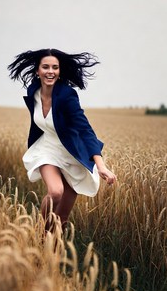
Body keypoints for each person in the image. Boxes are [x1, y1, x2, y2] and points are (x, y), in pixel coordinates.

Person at [8, 48, 116, 231]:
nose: (50, 71)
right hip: (47, 148)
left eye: (55, 67)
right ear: (38, 71)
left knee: (62, 218)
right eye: (46, 67)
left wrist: (101, 165)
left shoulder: (67, 95)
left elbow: (84, 129)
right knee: (55, 192)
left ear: (59, 71)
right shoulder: (33, 90)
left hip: (71, 153)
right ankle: (37, 235)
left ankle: (50, 253)